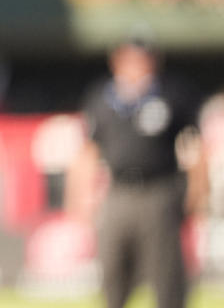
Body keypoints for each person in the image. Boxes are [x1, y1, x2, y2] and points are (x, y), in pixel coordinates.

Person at [68, 37, 209, 308]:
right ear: (117, 61)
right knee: (113, 273)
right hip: (118, 192)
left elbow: (194, 146)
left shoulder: (172, 94)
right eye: (129, 57)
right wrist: (80, 197)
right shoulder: (103, 98)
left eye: (142, 57)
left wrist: (198, 190)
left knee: (166, 276)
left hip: (160, 191)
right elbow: (88, 150)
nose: (136, 64)